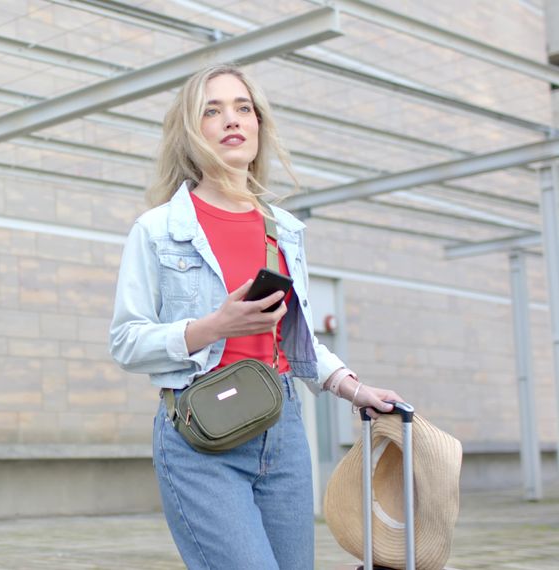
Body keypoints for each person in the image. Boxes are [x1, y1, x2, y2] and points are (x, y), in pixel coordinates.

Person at [108, 64, 403, 569]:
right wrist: (213, 327)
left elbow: (297, 340)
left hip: (283, 428)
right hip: (201, 432)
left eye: (244, 108)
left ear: (259, 125)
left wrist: (355, 388)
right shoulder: (158, 230)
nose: (232, 120)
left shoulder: (284, 229)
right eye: (212, 110)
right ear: (190, 130)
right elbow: (126, 341)